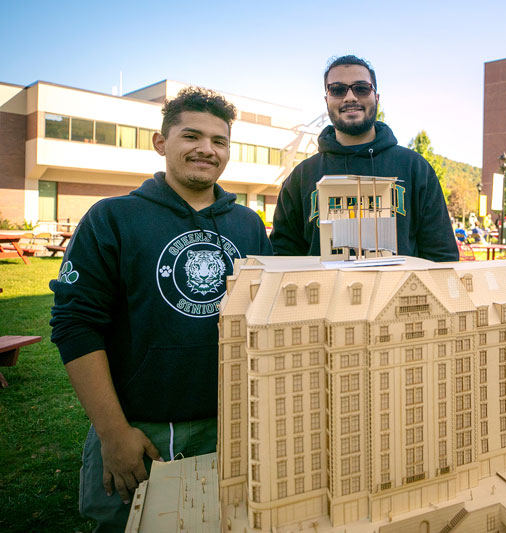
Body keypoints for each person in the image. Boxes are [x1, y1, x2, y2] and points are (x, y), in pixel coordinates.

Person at [49, 87, 273, 531]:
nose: (206, 149)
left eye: (219, 140)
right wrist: (113, 433)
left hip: (229, 425)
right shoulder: (112, 218)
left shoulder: (247, 224)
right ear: (161, 142)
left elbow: (264, 320)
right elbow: (76, 326)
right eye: (192, 136)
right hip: (139, 430)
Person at [270, 55, 457, 262]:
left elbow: (442, 256)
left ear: (376, 97)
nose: (350, 97)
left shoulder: (415, 168)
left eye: (361, 88)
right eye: (338, 89)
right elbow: (283, 259)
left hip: (398, 293)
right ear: (327, 100)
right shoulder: (302, 177)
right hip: (325, 294)